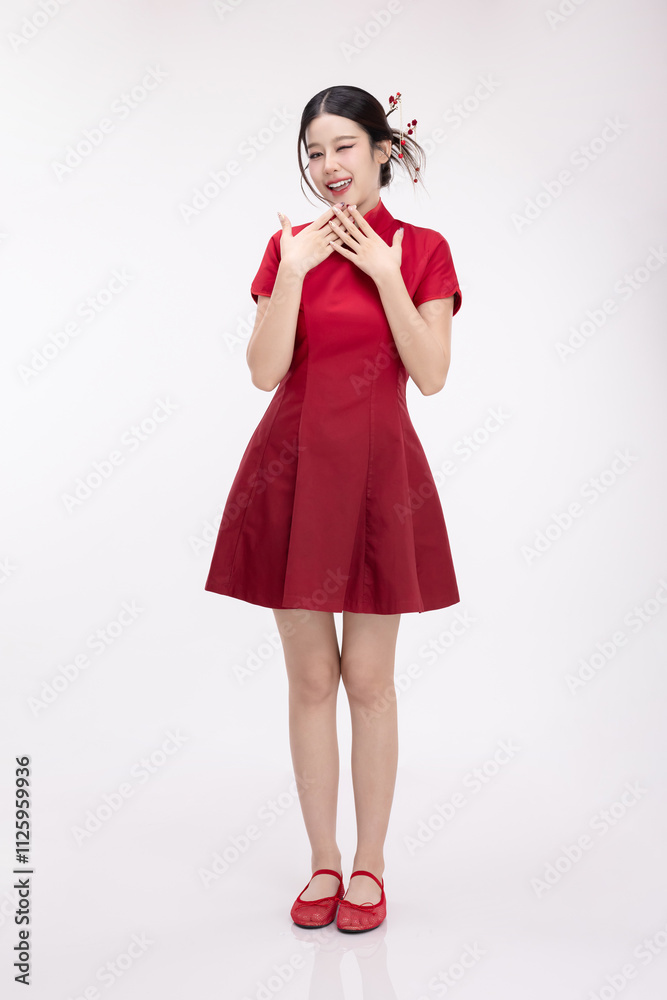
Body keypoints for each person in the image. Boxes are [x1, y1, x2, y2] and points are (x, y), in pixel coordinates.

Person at [204, 85, 462, 933]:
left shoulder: (422, 249)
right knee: (311, 679)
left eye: (344, 146)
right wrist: (292, 269)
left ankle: (369, 866)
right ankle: (322, 861)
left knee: (369, 682)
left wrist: (384, 273)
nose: (328, 165)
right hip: (290, 470)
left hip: (381, 476)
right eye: (314, 152)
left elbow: (430, 374)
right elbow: (263, 372)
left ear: (383, 150)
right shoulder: (288, 248)